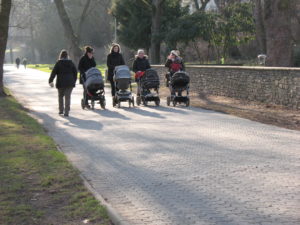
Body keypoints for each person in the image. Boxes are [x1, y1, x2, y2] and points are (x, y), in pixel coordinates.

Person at [49, 50, 77, 117]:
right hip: (70, 83)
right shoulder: (71, 63)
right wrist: (74, 81)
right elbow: (75, 72)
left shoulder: (58, 63)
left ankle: (61, 110)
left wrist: (50, 80)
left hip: (60, 82)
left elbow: (54, 72)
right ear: (67, 56)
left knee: (60, 96)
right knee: (68, 97)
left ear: (60, 56)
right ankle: (66, 112)